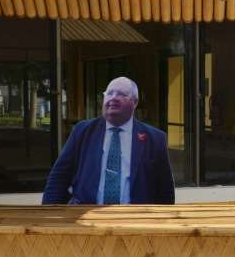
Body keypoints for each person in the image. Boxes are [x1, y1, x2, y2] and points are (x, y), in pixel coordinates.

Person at [42, 76, 175, 205]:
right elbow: (59, 177)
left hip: (135, 220)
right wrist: (50, 215)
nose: (113, 98)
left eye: (121, 94)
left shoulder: (155, 139)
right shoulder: (83, 131)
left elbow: (165, 190)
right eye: (109, 93)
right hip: (87, 217)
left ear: (134, 102)